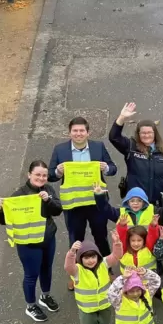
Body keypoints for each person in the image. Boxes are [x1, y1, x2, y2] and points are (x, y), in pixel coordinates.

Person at [48, 116, 117, 291]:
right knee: (75, 240)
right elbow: (49, 175)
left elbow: (113, 168)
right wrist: (57, 171)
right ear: (69, 132)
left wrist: (106, 168)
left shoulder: (98, 147)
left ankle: (107, 270)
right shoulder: (60, 150)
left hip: (97, 203)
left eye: (82, 131)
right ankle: (76, 275)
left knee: (101, 237)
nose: (78, 134)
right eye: (75, 131)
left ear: (88, 132)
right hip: (74, 205)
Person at [0, 160, 63, 322]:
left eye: (44, 175)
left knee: (47, 269)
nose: (41, 178)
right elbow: (4, 220)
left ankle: (45, 297)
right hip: (29, 244)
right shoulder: (18, 195)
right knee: (31, 275)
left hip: (48, 239)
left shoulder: (48, 189)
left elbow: (58, 210)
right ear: (29, 175)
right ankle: (30, 306)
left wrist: (48, 200)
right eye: (37, 174)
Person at [64, 235, 123, 324]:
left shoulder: (103, 264)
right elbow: (68, 266)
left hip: (104, 306)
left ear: (98, 256)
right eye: (86, 258)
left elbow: (116, 256)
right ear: (80, 259)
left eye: (93, 257)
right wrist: (72, 252)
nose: (90, 260)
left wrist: (117, 243)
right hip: (87, 310)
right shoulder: (77, 270)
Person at [109, 102, 163, 207]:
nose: (146, 135)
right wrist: (121, 118)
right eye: (143, 133)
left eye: (149, 132)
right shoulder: (131, 147)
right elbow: (114, 137)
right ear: (138, 134)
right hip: (136, 204)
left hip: (158, 204)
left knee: (158, 224)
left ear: (155, 134)